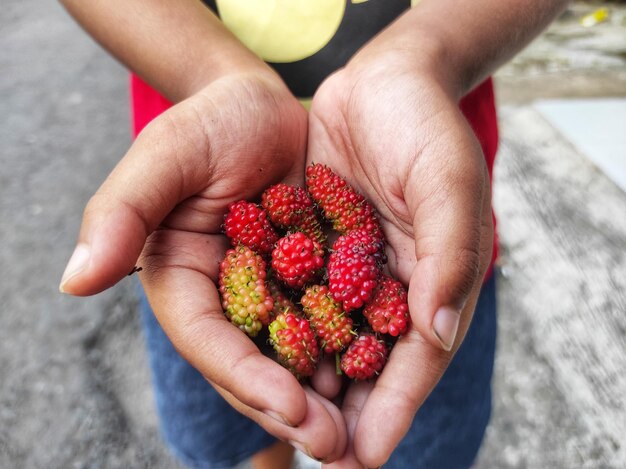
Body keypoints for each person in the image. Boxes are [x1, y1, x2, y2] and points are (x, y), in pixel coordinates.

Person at [58, 1, 567, 467]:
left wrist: (427, 53)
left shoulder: (349, 255)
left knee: (418, 441)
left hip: (426, 220)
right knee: (243, 431)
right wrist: (211, 72)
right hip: (195, 216)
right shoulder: (275, 253)